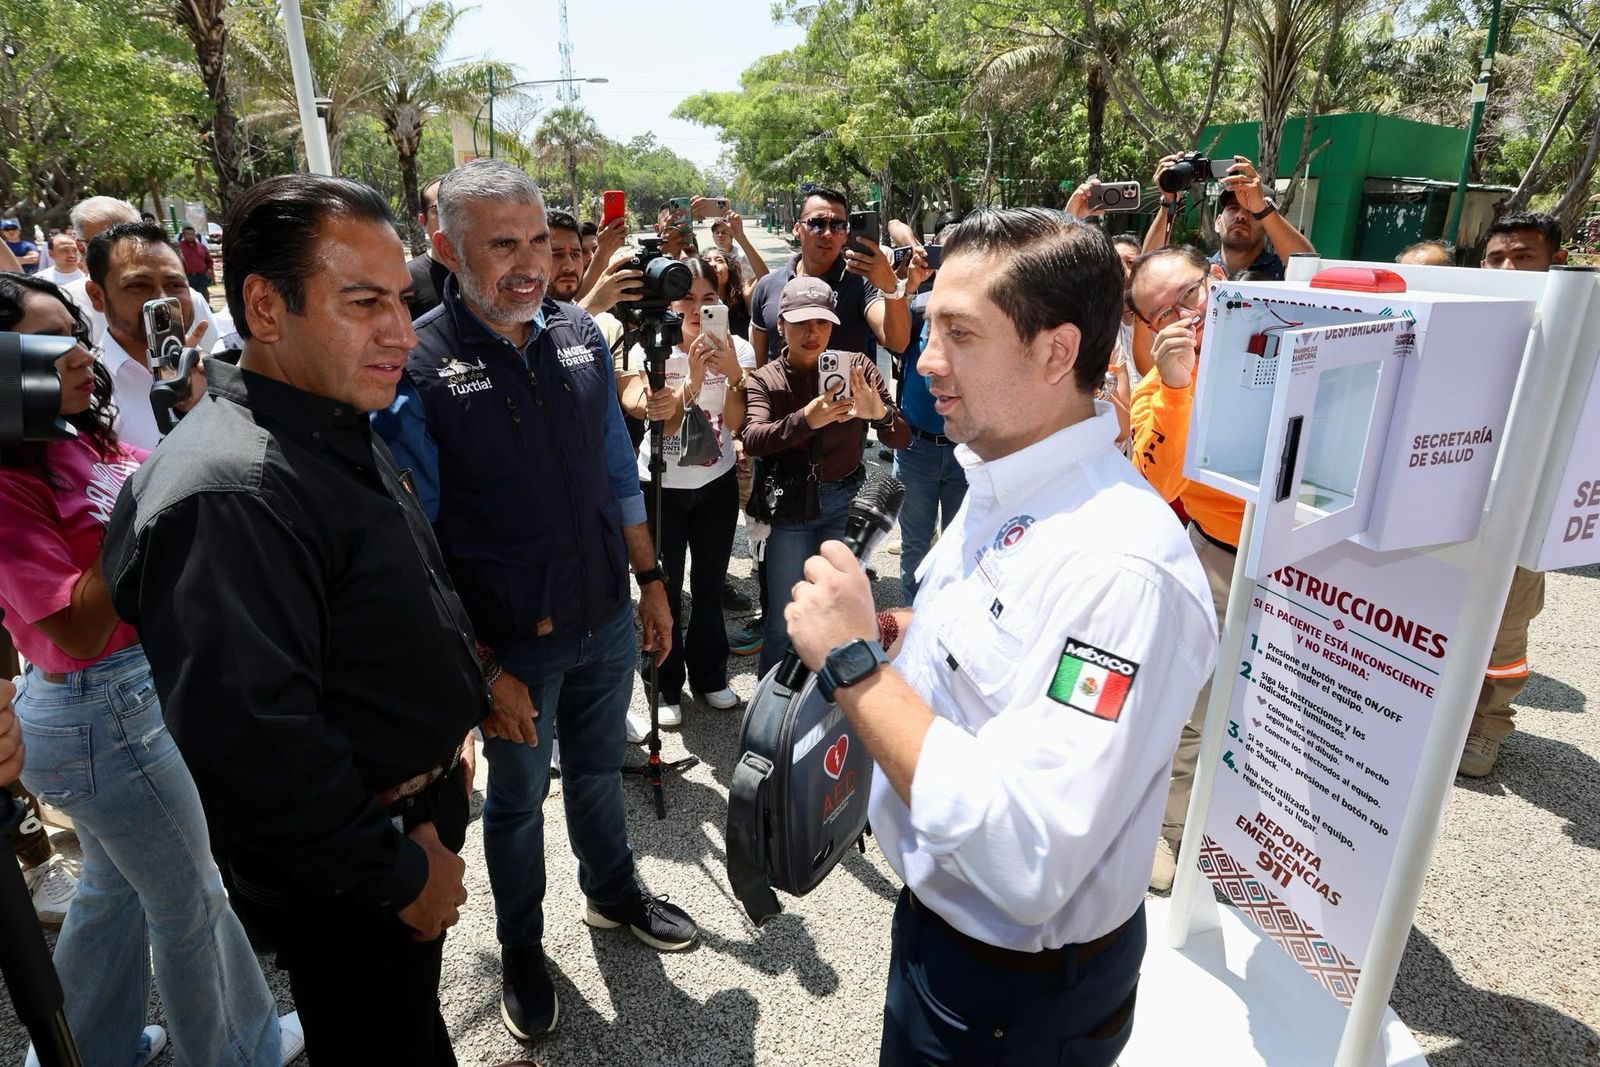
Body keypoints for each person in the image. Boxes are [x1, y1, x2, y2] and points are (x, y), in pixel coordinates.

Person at [783, 208, 1217, 1066]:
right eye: (930, 324)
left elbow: (1029, 854)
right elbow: (983, 658)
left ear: (1056, 352)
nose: (925, 359)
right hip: (942, 938)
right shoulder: (1005, 476)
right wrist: (906, 638)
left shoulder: (1121, 567)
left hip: (1016, 998)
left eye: (959, 332)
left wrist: (857, 667)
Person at [104, 174, 488, 1064]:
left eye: (401, 298)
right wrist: (398, 873)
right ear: (266, 307)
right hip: (354, 872)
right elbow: (255, 747)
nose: (400, 329)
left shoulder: (333, 421)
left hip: (408, 820)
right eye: (363, 303)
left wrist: (469, 692)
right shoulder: (230, 489)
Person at [372, 159, 700, 1045]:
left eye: (538, 243)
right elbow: (418, 548)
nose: (528, 264)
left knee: (598, 771)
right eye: (502, 244)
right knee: (516, 805)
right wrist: (482, 671)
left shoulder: (578, 337)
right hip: (513, 647)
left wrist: (652, 580)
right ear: (444, 247)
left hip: (603, 617)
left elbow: (612, 477)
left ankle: (613, 892)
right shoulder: (418, 364)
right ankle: (522, 946)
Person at [0, 272, 299, 1067]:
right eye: (42, 339)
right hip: (102, 712)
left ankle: (89, 1047)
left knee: (113, 888)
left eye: (72, 330)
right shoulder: (6, 482)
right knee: (192, 898)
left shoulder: (72, 434)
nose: (72, 352)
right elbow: (79, 619)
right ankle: (242, 1050)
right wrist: (148, 490)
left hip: (126, 699)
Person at [1123, 244, 1234, 892]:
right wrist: (1176, 386)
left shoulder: (1284, 338)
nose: (1184, 316)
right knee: (1191, 706)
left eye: (1190, 295)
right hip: (1218, 554)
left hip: (1306, 561)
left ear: (1215, 278)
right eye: (1162, 311)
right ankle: (1166, 830)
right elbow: (1151, 478)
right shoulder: (1156, 390)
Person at [741, 275, 909, 674]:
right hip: (790, 510)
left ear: (833, 325)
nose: (812, 332)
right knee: (785, 618)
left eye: (821, 322)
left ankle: (832, 708)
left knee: (841, 615)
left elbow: (902, 437)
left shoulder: (859, 368)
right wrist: (806, 419)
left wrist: (880, 414)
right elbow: (752, 437)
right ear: (781, 324)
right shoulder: (767, 378)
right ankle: (773, 718)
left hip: (843, 500)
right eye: (800, 322)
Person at [619, 256, 753, 728]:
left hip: (714, 482)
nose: (698, 309)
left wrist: (733, 369)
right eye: (687, 299)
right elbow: (657, 417)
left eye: (709, 299)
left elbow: (738, 420)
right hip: (659, 485)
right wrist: (693, 379)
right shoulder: (648, 349)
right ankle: (663, 682)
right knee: (665, 587)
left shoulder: (736, 346)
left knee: (711, 586)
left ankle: (711, 674)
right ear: (671, 302)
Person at [1458, 211, 1566, 777]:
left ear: (1557, 262)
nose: (1507, 268)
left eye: (1523, 257)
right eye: (1496, 257)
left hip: (1525, 512)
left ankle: (1488, 727)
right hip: (1459, 499)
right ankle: (1445, 719)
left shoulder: (1575, 336)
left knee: (1505, 629)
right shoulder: (1468, 320)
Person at [882, 218, 965, 602]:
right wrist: (913, 275)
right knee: (915, 544)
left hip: (966, 450)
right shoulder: (914, 304)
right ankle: (912, 624)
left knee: (961, 547)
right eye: (942, 251)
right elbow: (895, 224)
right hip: (916, 449)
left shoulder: (985, 309)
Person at [747, 185, 912, 366]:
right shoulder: (768, 285)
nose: (827, 234)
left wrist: (891, 287)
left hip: (846, 394)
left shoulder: (861, 282)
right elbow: (758, 364)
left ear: (845, 235)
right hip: (780, 394)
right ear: (796, 229)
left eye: (837, 226)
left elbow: (897, 342)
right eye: (816, 224)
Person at [84, 221, 209, 451]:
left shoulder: (213, 371)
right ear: (97, 296)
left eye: (175, 284)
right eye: (138, 285)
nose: (161, 298)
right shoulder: (85, 391)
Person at [62, 196, 216, 350]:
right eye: (137, 286)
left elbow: (214, 352)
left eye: (132, 235)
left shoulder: (189, 300)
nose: (162, 299)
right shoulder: (64, 304)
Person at [1142, 154, 1314, 279]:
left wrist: (1261, 207)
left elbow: (1308, 267)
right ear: (1218, 222)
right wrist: (1167, 203)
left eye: (1251, 211)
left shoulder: (1282, 272)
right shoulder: (1197, 270)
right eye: (1232, 208)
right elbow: (1147, 271)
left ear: (1266, 226)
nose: (1240, 216)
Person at [407, 175, 451, 320]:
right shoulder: (405, 280)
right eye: (440, 209)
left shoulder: (488, 274)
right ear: (423, 222)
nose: (452, 217)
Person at [178, 223, 215, 297]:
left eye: (192, 234)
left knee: (204, 295)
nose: (190, 236)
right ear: (183, 235)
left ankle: (206, 307)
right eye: (187, 234)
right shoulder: (178, 247)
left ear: (195, 235)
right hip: (186, 277)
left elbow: (209, 261)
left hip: (201, 277)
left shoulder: (202, 247)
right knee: (189, 297)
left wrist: (209, 269)